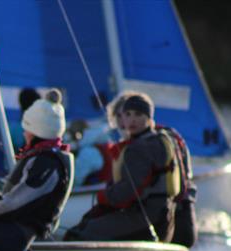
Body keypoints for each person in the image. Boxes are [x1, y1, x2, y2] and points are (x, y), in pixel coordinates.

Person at [63, 92, 180, 242]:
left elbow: (130, 189)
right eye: (127, 114)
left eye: (138, 114)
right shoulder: (159, 139)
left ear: (149, 118)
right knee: (87, 225)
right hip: (162, 215)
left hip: (148, 216)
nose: (132, 120)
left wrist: (104, 196)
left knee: (82, 232)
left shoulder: (140, 147)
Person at [0, 88, 74, 251]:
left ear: (36, 131)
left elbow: (13, 203)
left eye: (26, 128)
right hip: (13, 230)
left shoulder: (46, 162)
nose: (24, 133)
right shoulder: (44, 156)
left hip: (16, 235)